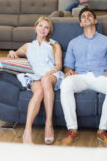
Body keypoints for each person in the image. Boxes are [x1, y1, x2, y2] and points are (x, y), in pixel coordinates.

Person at [60, 7, 107, 148]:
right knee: (66, 84)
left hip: (100, 76)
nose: (86, 17)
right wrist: (68, 71)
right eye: (83, 17)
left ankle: (102, 130)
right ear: (80, 23)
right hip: (80, 77)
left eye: (89, 16)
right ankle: (72, 130)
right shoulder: (73, 42)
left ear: (95, 20)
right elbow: (67, 65)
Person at [8, 16, 64, 145]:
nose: (43, 29)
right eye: (40, 26)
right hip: (34, 76)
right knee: (38, 93)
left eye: (46, 27)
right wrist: (11, 51)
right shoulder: (28, 46)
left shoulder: (55, 45)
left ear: (49, 31)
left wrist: (50, 72)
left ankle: (48, 124)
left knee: (45, 79)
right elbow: (15, 53)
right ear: (35, 27)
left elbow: (59, 65)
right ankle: (27, 132)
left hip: (51, 74)